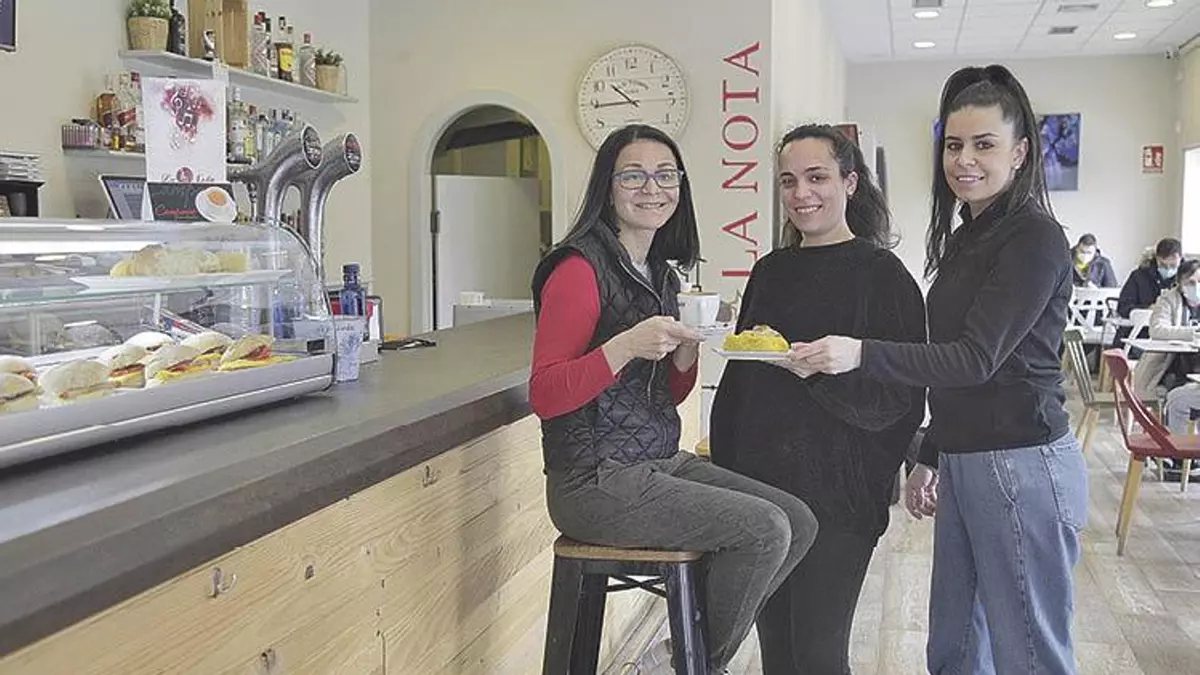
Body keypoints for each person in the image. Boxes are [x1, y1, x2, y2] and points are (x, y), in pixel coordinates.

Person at [791, 65, 1089, 675]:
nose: (964, 160)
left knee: (1028, 654)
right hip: (966, 461)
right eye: (954, 145)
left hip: (1023, 463)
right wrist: (931, 452)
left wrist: (861, 352)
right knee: (953, 647)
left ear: (1020, 152)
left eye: (984, 144)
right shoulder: (966, 236)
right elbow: (952, 357)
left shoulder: (1034, 239)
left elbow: (975, 359)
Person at [529, 123, 818, 674]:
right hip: (592, 481)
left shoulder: (660, 275)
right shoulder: (576, 269)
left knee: (798, 521)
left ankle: (677, 658)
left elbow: (665, 394)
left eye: (666, 175)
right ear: (607, 187)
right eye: (633, 176)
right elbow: (545, 394)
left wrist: (687, 352)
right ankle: (691, 664)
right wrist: (623, 346)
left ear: (680, 187)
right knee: (764, 529)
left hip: (656, 461)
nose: (652, 188)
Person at [708, 124, 926, 674]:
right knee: (778, 654)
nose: (801, 193)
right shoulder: (769, 271)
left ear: (850, 183)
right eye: (789, 181)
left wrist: (819, 375)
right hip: (761, 497)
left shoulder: (884, 276)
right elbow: (741, 384)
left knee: (818, 655)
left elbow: (901, 400)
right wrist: (726, 471)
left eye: (817, 177)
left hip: (840, 501)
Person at [1117, 237, 1182, 318]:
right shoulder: (1138, 276)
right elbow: (1123, 307)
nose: (1168, 269)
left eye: (1173, 266)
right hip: (1144, 323)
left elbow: (1194, 309)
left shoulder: (1188, 278)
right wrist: (1147, 308)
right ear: (1156, 258)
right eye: (1163, 265)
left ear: (1180, 259)